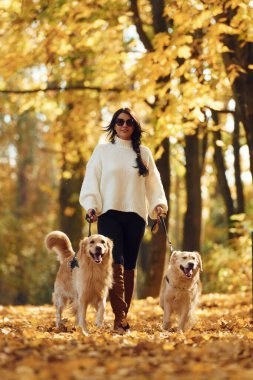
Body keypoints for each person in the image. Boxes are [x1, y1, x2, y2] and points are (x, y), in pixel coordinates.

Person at [79, 107, 168, 332]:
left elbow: (153, 182)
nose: (124, 125)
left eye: (129, 122)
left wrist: (158, 203)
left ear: (134, 126)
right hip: (108, 214)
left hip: (136, 216)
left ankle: (122, 316)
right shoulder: (102, 151)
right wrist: (91, 205)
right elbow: (91, 180)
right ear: (114, 125)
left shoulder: (144, 153)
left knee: (129, 265)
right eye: (120, 121)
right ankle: (120, 318)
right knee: (114, 263)